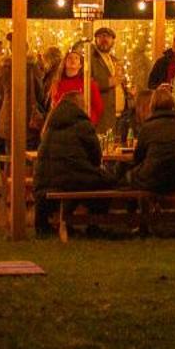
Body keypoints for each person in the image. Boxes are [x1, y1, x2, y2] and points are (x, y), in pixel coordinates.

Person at [34, 94, 120, 233]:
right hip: (70, 179)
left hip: (44, 184)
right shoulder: (83, 124)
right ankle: (94, 224)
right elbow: (96, 157)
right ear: (80, 106)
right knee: (108, 181)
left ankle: (60, 223)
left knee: (79, 179)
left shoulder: (49, 127)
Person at [128, 85, 175, 194]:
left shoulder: (148, 127)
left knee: (126, 176)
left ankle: (133, 209)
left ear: (152, 105)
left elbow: (138, 157)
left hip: (153, 180)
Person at [47, 47, 105, 124]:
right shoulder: (57, 83)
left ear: (80, 65)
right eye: (70, 58)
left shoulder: (88, 83)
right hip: (64, 125)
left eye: (76, 58)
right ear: (65, 63)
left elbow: (98, 107)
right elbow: (55, 106)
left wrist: (88, 122)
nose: (73, 60)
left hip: (82, 124)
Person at [90, 27, 126, 138]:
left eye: (108, 37)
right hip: (103, 116)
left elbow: (119, 82)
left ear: (113, 41)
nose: (104, 39)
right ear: (95, 40)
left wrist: (127, 91)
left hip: (119, 116)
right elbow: (86, 84)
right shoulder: (90, 59)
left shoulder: (115, 60)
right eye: (101, 36)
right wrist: (108, 82)